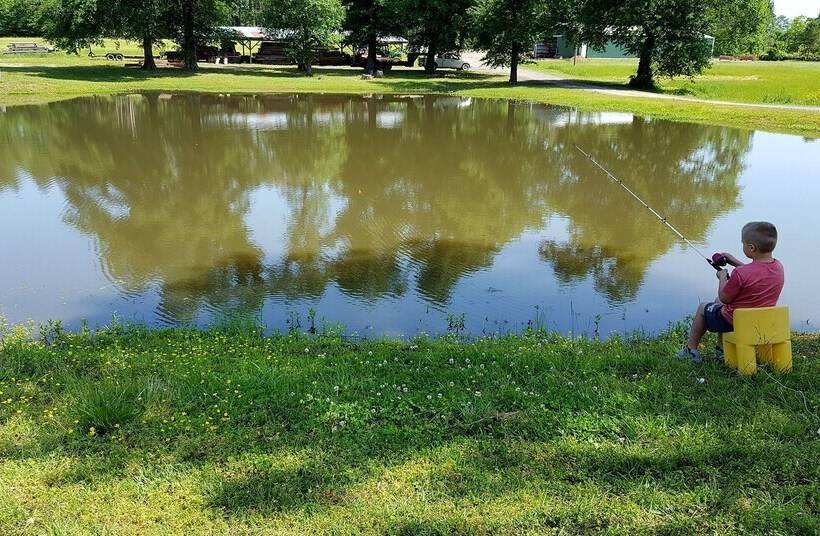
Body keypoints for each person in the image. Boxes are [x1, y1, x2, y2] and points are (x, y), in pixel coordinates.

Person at [678, 221, 785, 363]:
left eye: (743, 244)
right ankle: (721, 349)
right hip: (762, 321)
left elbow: (725, 297)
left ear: (751, 248)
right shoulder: (778, 267)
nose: (743, 246)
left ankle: (691, 350)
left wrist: (722, 277)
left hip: (735, 322)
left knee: (704, 307)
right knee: (717, 303)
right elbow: (756, 273)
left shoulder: (740, 274)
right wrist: (734, 262)